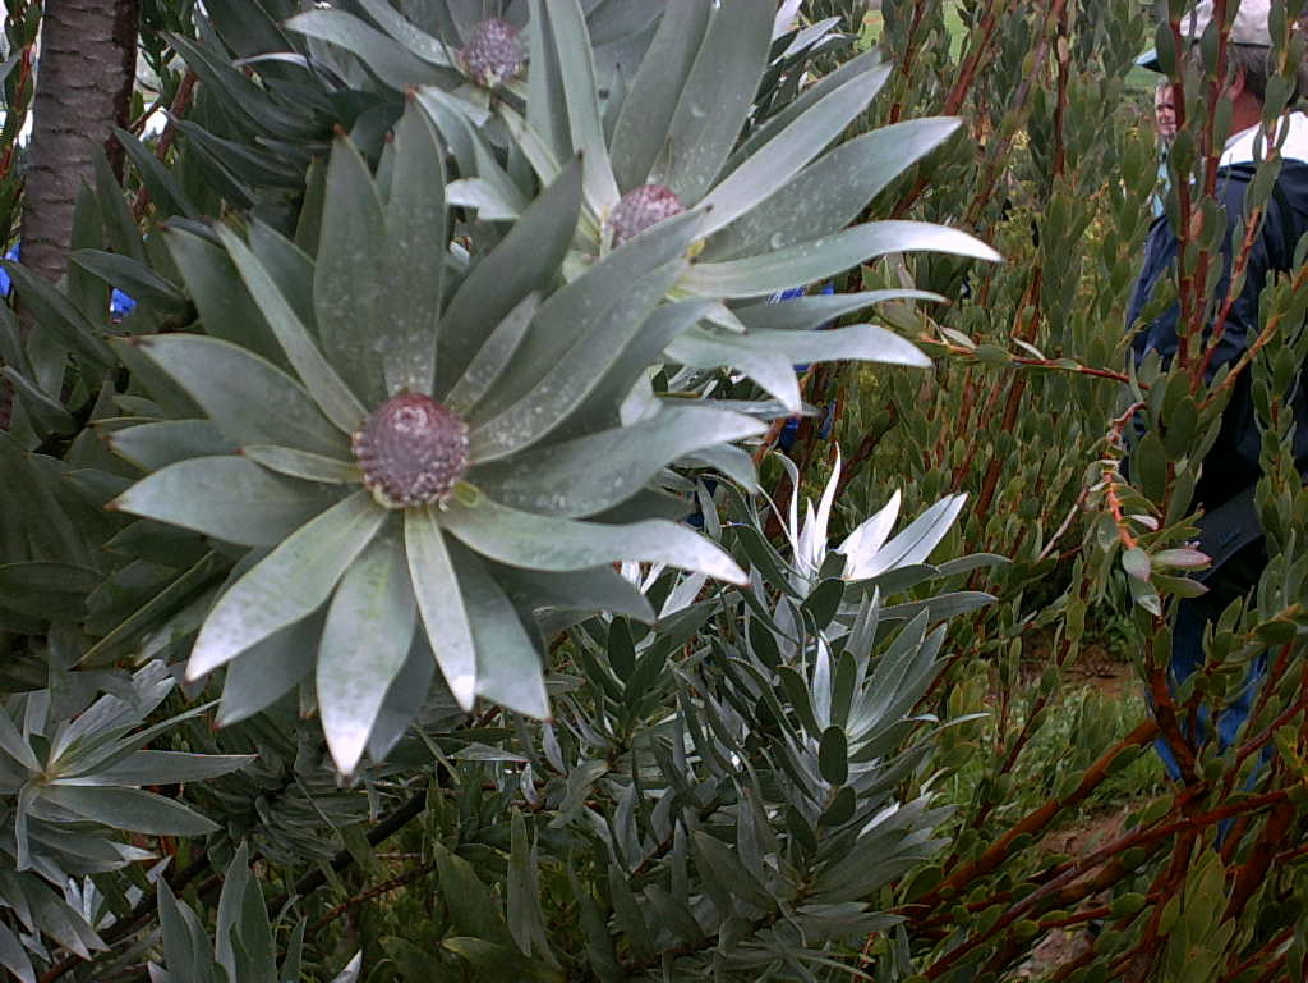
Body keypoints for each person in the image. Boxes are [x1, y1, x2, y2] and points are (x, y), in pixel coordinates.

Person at [1129, 0, 1308, 780]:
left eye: (1177, 77)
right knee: (1268, 697)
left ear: (1231, 77)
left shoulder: (1235, 196)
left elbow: (1201, 363)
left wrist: (1155, 488)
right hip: (1280, 495)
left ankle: (1220, 871)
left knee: (1216, 709)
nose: (1162, 97)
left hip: (1231, 506)